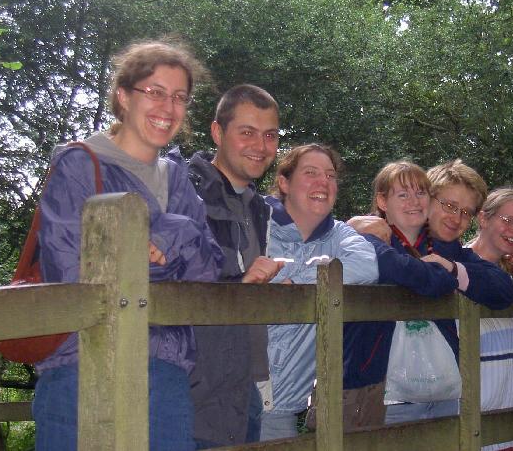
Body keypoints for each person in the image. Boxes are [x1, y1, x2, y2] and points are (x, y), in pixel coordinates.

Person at [33, 38, 224, 451]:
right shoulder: (79, 165)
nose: (168, 107)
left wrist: (173, 232)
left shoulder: (176, 179)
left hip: (166, 373)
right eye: (155, 92)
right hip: (80, 367)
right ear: (123, 96)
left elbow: (209, 273)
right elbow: (72, 274)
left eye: (179, 97)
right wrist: (163, 260)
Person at [349, 159, 513, 423]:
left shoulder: (456, 255)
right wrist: (349, 227)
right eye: (449, 205)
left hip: (440, 389)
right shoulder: (379, 237)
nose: (456, 218)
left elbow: (503, 290)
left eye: (466, 212)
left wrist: (452, 270)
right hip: (375, 388)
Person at [258, 144, 379, 441]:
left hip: (280, 408)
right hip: (228, 395)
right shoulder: (256, 222)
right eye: (310, 173)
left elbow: (367, 266)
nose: (323, 182)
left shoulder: (340, 235)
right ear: (284, 182)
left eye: (330, 175)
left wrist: (297, 280)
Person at [186, 84, 284, 448]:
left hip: (245, 383)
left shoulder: (257, 208)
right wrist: (239, 283)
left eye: (270, 135)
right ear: (217, 132)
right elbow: (173, 279)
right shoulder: (185, 193)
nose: (261, 146)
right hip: (195, 387)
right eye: (247, 132)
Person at [338, 161, 462, 430]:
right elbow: (396, 267)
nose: (414, 202)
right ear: (382, 201)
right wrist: (439, 274)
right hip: (377, 385)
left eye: (421, 193)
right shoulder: (365, 240)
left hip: (442, 385)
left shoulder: (445, 244)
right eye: (403, 194)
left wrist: (436, 275)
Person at [468, 187, 513, 451]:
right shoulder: (457, 265)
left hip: (503, 421)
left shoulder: (509, 276)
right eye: (507, 220)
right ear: (483, 218)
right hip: (461, 420)